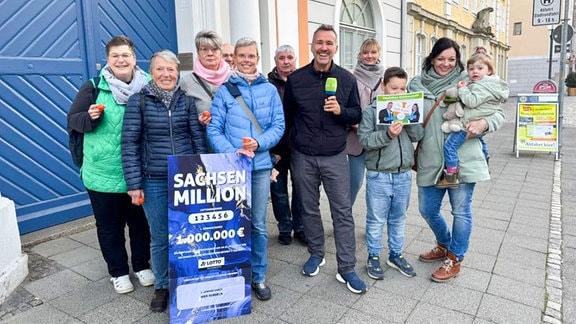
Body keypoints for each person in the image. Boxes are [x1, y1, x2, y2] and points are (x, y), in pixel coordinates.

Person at [407, 37, 505, 282]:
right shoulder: (416, 85)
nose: (446, 64)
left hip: (462, 158)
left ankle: (454, 257)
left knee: (461, 211)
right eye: (441, 59)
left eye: (452, 59)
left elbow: (498, 112)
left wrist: (483, 123)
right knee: (427, 209)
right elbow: (411, 119)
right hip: (430, 157)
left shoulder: (470, 81)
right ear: (431, 59)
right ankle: (443, 243)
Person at [121, 50, 208, 311]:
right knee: (159, 237)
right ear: (152, 72)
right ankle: (161, 286)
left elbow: (197, 139)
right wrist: (134, 184)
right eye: (160, 69)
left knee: (189, 233)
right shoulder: (139, 101)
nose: (166, 74)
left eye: (171, 69)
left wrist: (203, 174)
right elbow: (129, 143)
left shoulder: (186, 101)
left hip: (186, 178)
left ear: (177, 72)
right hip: (154, 179)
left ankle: (188, 280)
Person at [67, 35, 154, 295]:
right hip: (102, 172)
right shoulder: (93, 87)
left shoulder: (149, 86)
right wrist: (90, 117)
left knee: (141, 223)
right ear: (108, 60)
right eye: (115, 55)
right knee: (109, 226)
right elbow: (74, 121)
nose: (121, 60)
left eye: (125, 55)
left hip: (139, 171)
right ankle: (117, 271)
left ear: (134, 58)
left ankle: (141, 265)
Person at [283, 24, 366, 294]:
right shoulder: (296, 79)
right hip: (303, 156)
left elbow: (357, 115)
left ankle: (347, 267)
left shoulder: (346, 79)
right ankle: (316, 253)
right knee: (308, 209)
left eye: (329, 43)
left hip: (334, 156)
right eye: (319, 42)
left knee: (342, 212)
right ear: (312, 46)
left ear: (336, 48)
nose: (324, 47)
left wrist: (341, 111)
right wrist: (284, 154)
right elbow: (287, 119)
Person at [207, 38, 284, 301]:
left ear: (257, 58)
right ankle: (233, 273)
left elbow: (278, 126)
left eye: (252, 55)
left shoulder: (270, 90)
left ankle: (259, 276)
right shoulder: (225, 91)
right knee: (232, 223)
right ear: (235, 58)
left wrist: (259, 142)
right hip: (232, 167)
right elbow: (214, 128)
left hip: (261, 167)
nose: (247, 60)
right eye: (242, 56)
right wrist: (233, 152)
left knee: (259, 225)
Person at [358, 67, 423, 280]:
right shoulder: (371, 111)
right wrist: (387, 134)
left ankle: (395, 254)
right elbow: (365, 141)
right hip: (379, 175)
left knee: (398, 218)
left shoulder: (407, 108)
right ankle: (374, 256)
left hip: (403, 174)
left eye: (403, 88)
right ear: (384, 86)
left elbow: (417, 135)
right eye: (394, 88)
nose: (398, 92)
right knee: (376, 219)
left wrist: (410, 120)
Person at [436, 52, 508, 188]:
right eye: (471, 68)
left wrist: (462, 89)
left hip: (466, 125)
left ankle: (451, 176)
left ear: (489, 70)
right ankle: (486, 163)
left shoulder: (482, 86)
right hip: (471, 122)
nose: (475, 71)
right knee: (481, 142)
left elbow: (471, 101)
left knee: (450, 146)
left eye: (480, 68)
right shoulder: (484, 84)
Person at [267, 45, 307, 246]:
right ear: (275, 61)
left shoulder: (303, 81)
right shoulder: (267, 85)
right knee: (278, 190)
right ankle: (284, 226)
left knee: (300, 188)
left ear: (295, 59)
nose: (286, 61)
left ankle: (300, 226)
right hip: (275, 147)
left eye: (290, 57)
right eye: (281, 57)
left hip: (299, 145)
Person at [348, 38, 385, 207]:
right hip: (356, 138)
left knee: (377, 185)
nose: (369, 56)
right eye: (365, 52)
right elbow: (346, 106)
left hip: (379, 139)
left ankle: (374, 223)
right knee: (354, 183)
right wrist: (357, 125)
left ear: (379, 54)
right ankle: (343, 218)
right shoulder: (351, 77)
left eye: (373, 52)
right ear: (359, 54)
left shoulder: (386, 77)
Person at [180, 30, 231, 129]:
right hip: (203, 140)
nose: (210, 53)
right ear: (198, 52)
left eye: (214, 49)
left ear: (221, 53)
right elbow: (179, 116)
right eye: (204, 49)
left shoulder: (234, 77)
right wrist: (196, 119)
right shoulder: (186, 82)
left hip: (232, 140)